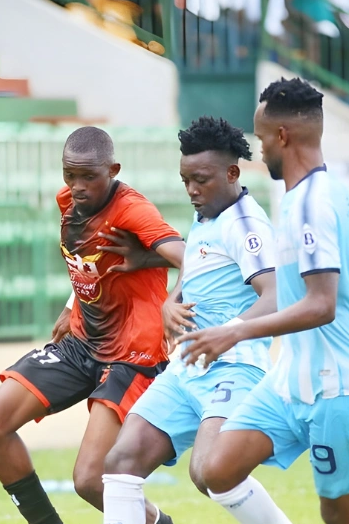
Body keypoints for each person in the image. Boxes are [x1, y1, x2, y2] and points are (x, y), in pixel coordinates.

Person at [175, 78, 349, 524]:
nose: (260, 149)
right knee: (218, 471)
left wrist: (235, 331)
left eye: (262, 138)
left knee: (339, 514)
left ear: (282, 136)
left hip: (338, 386)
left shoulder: (311, 205)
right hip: (290, 381)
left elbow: (321, 305)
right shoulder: (324, 193)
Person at [0, 126, 185, 524]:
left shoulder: (132, 209)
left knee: (90, 480)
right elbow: (89, 258)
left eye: (89, 176)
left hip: (131, 353)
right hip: (82, 342)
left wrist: (168, 292)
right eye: (70, 174)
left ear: (113, 170)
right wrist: (71, 304)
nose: (78, 186)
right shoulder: (67, 201)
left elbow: (190, 255)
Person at [101, 117, 279, 524]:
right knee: (121, 462)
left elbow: (276, 295)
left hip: (233, 367)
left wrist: (227, 334)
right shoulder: (206, 214)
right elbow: (195, 265)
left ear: (231, 173)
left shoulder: (245, 226)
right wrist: (172, 299)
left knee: (211, 472)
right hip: (186, 368)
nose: (192, 190)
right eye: (185, 180)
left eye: (200, 180)